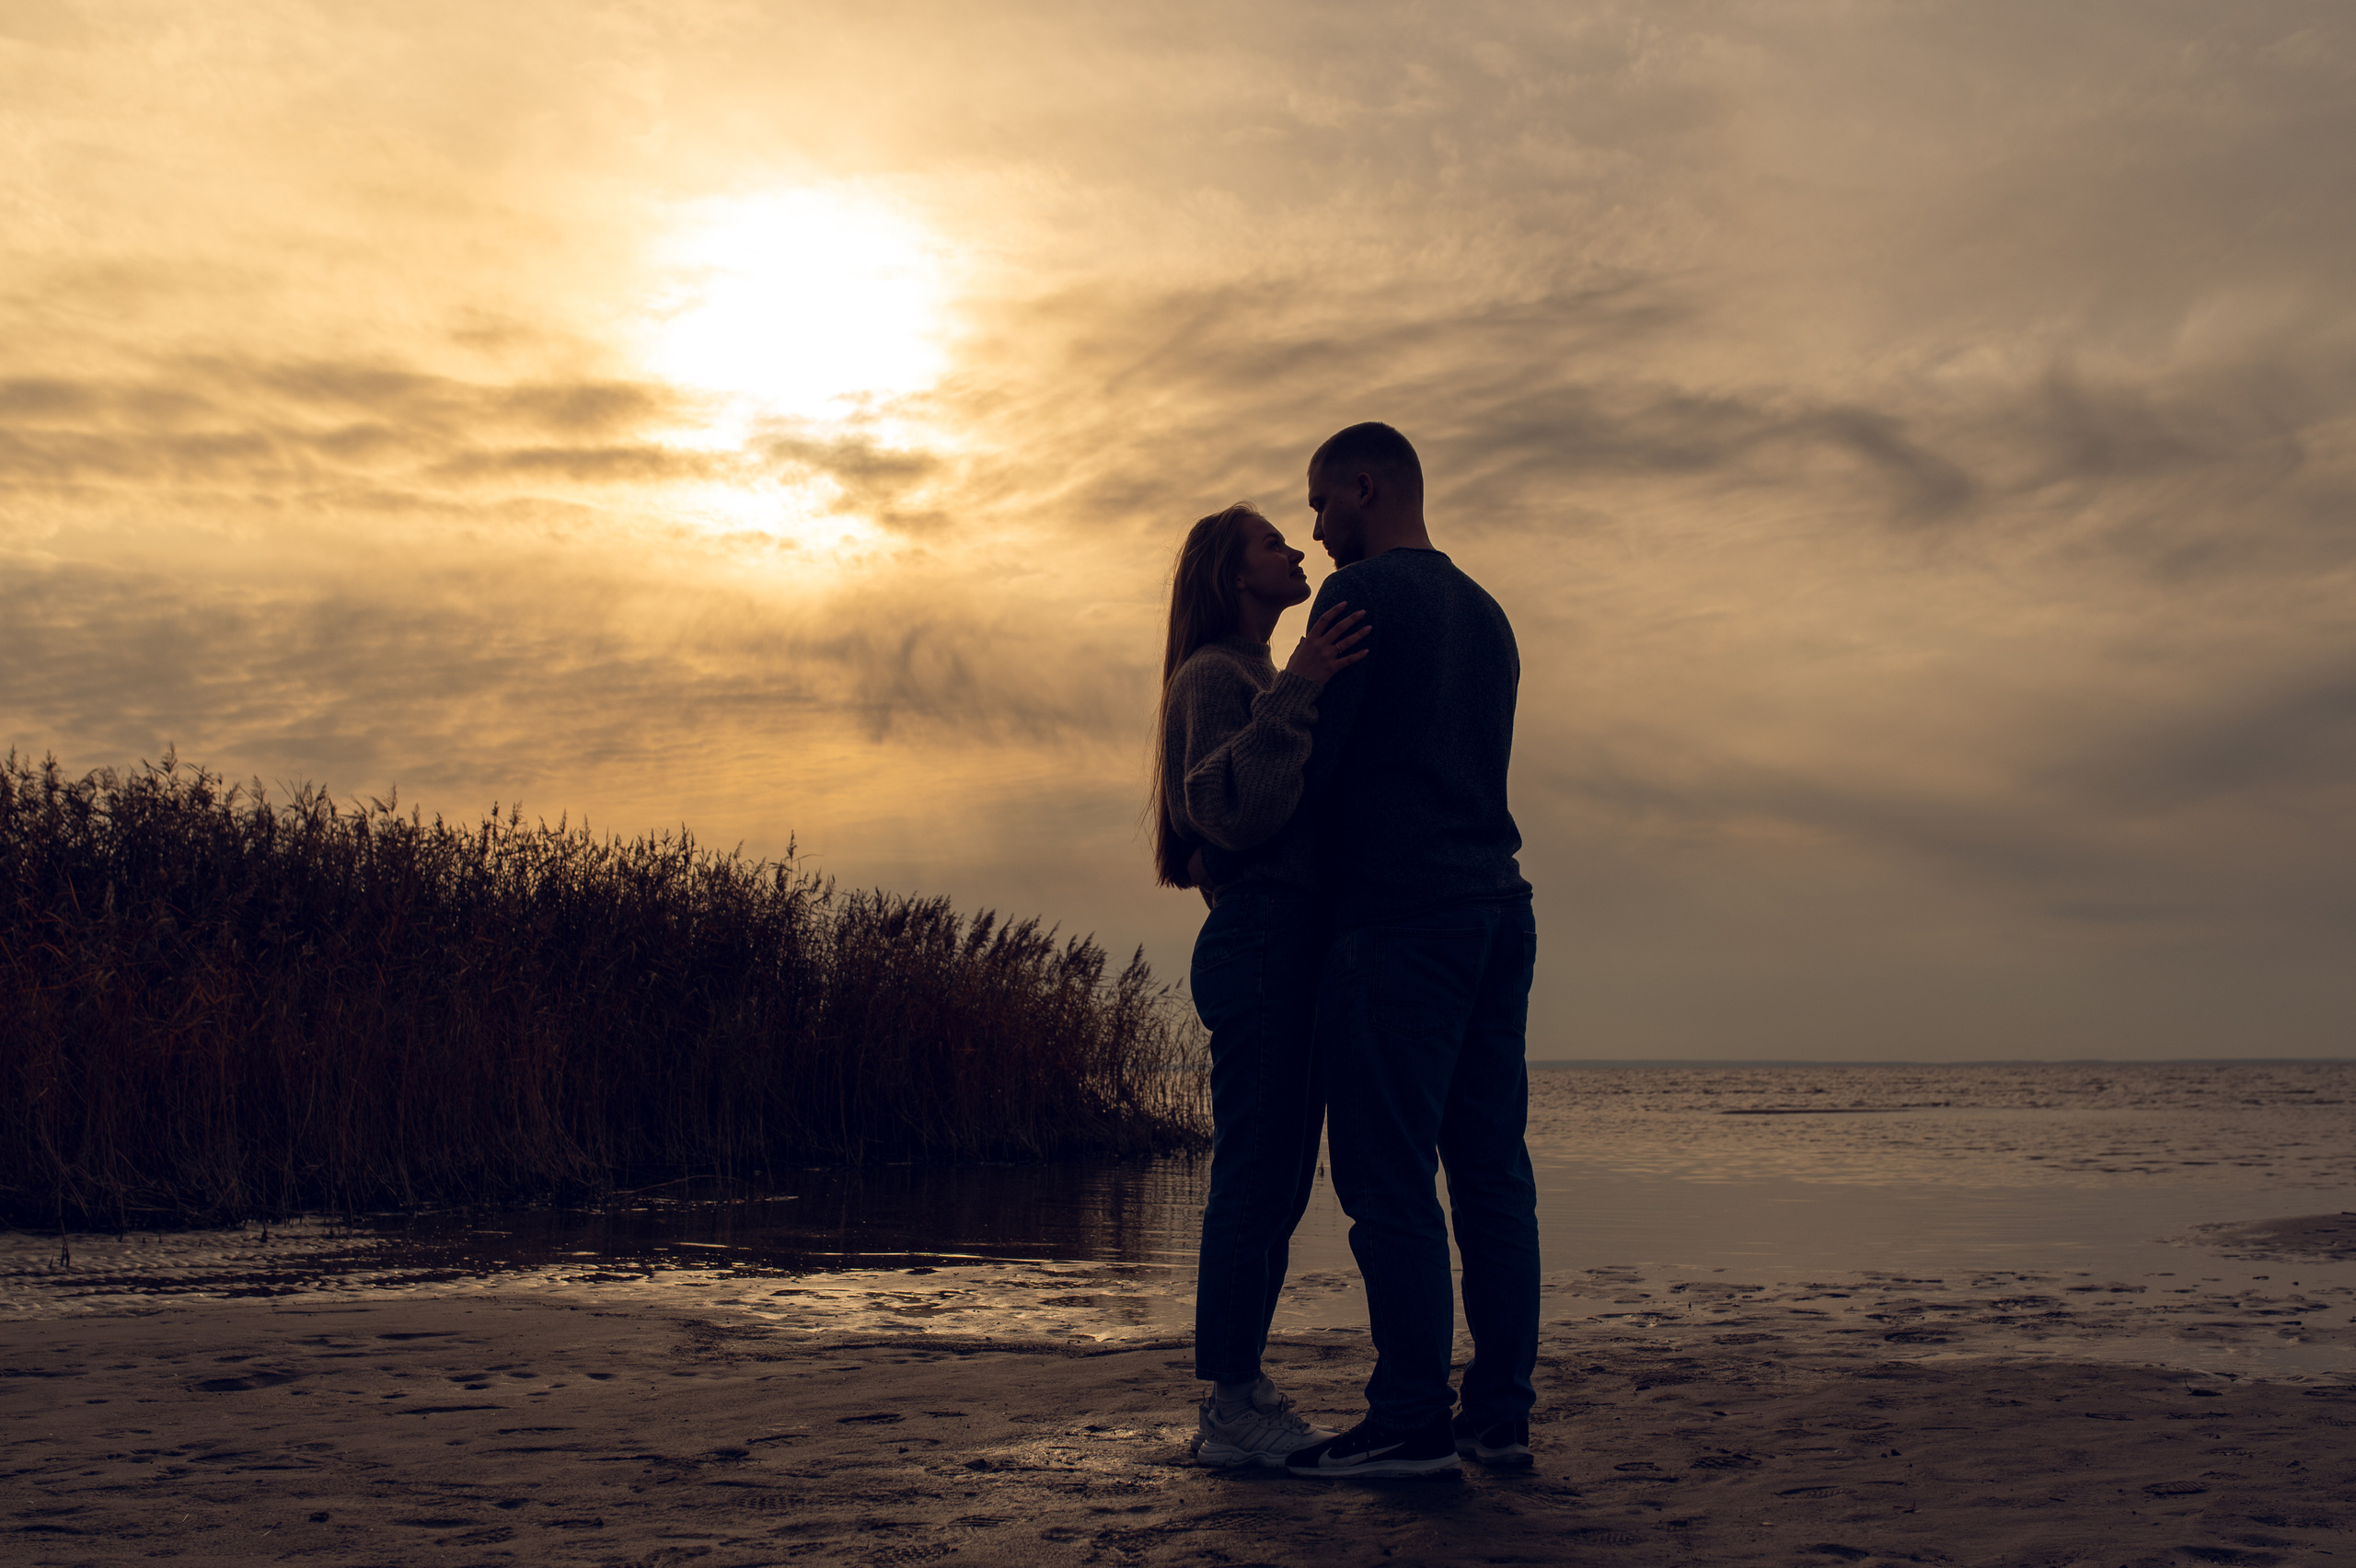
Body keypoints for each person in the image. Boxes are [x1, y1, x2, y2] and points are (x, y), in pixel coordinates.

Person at [1235, 422, 1541, 1480]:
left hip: (1402, 922)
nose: (1316, 533)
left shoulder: (1358, 603)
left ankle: (1410, 1418)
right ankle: (1498, 1415)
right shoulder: (1487, 615)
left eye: (1321, 503)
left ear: (1366, 487)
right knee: (1493, 1172)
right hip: (1499, 907)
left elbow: (1319, 770)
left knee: (1388, 1175)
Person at [1150, 501, 1369, 1469]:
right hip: (1262, 948)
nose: (1295, 552)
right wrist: (1303, 687)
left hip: (1286, 945)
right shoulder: (1217, 676)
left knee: (1277, 1180)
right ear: (1234, 575)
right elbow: (1225, 810)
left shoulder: (1253, 674)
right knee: (1254, 1179)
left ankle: (1240, 1389)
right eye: (1274, 545)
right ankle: (1231, 1402)